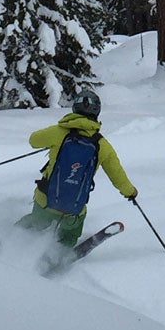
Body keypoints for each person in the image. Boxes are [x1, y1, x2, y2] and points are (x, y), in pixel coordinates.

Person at [21, 88, 135, 247]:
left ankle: (10, 240)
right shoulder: (103, 145)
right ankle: (61, 254)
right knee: (70, 232)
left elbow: (33, 140)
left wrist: (55, 138)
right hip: (74, 208)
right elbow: (117, 175)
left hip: (45, 199)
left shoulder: (59, 132)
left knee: (35, 223)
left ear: (75, 108)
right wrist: (130, 192)